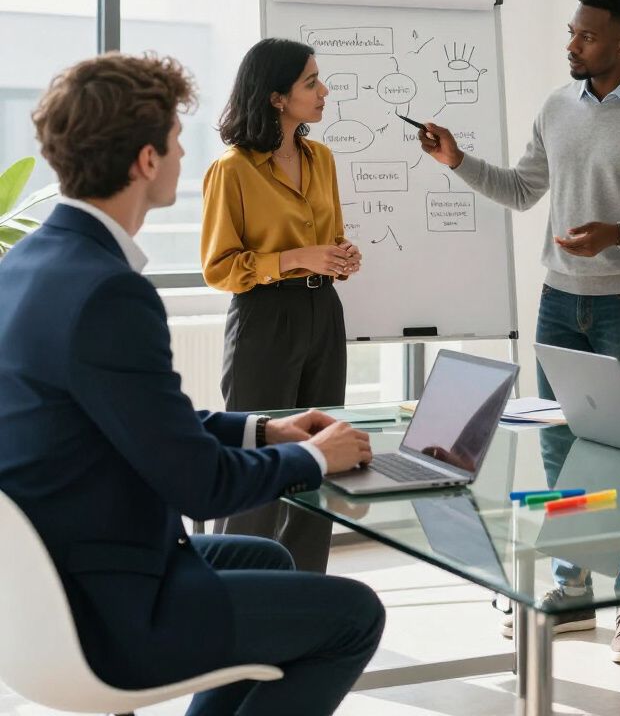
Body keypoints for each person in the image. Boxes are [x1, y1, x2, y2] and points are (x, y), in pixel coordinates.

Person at [0, 53, 383, 716]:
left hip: (49, 579)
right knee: (354, 615)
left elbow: (144, 419)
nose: (184, 155)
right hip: (106, 608)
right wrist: (317, 458)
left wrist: (264, 429)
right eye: (177, 141)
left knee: (265, 559)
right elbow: (200, 484)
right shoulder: (109, 292)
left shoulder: (30, 261)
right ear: (147, 160)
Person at [419, 0, 620, 662]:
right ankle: (572, 588)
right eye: (572, 32)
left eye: (586, 35)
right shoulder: (556, 106)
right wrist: (457, 161)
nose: (572, 44)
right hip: (558, 301)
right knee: (559, 449)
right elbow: (523, 190)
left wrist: (619, 234)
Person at [202, 38, 361, 573]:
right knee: (258, 467)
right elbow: (219, 268)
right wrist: (295, 258)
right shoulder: (233, 169)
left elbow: (330, 238)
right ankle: (236, 591)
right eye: (311, 82)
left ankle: (304, 591)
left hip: (324, 312)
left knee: (322, 461)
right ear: (276, 97)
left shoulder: (322, 159)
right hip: (264, 318)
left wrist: (340, 256)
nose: (324, 91)